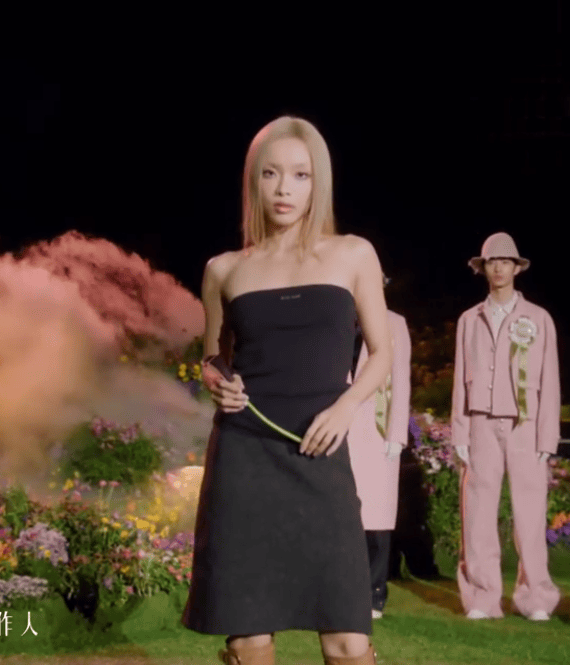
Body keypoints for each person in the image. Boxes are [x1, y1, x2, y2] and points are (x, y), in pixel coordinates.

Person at [181, 115, 392, 665]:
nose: (284, 189)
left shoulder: (353, 254)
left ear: (318, 181)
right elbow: (212, 356)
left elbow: (382, 353)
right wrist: (216, 380)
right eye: (271, 174)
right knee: (249, 638)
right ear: (253, 181)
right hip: (245, 455)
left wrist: (347, 407)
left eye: (300, 175)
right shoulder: (224, 269)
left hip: (322, 453)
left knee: (348, 640)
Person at [449, 231, 561, 622]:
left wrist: (547, 436)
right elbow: (461, 378)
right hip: (481, 422)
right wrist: (460, 431)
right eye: (491, 262)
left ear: (517, 268)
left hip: (525, 425)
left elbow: (550, 380)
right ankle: (482, 597)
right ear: (483, 269)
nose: (498, 268)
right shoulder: (469, 320)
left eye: (505, 262)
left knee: (530, 513)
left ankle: (536, 598)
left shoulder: (539, 319)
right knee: (478, 512)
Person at [346, 284, 411, 620]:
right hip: (338, 424)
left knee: (377, 514)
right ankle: (340, 587)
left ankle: (374, 593)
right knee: (341, 511)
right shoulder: (336, 316)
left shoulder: (394, 322)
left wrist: (397, 432)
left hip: (376, 426)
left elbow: (401, 377)